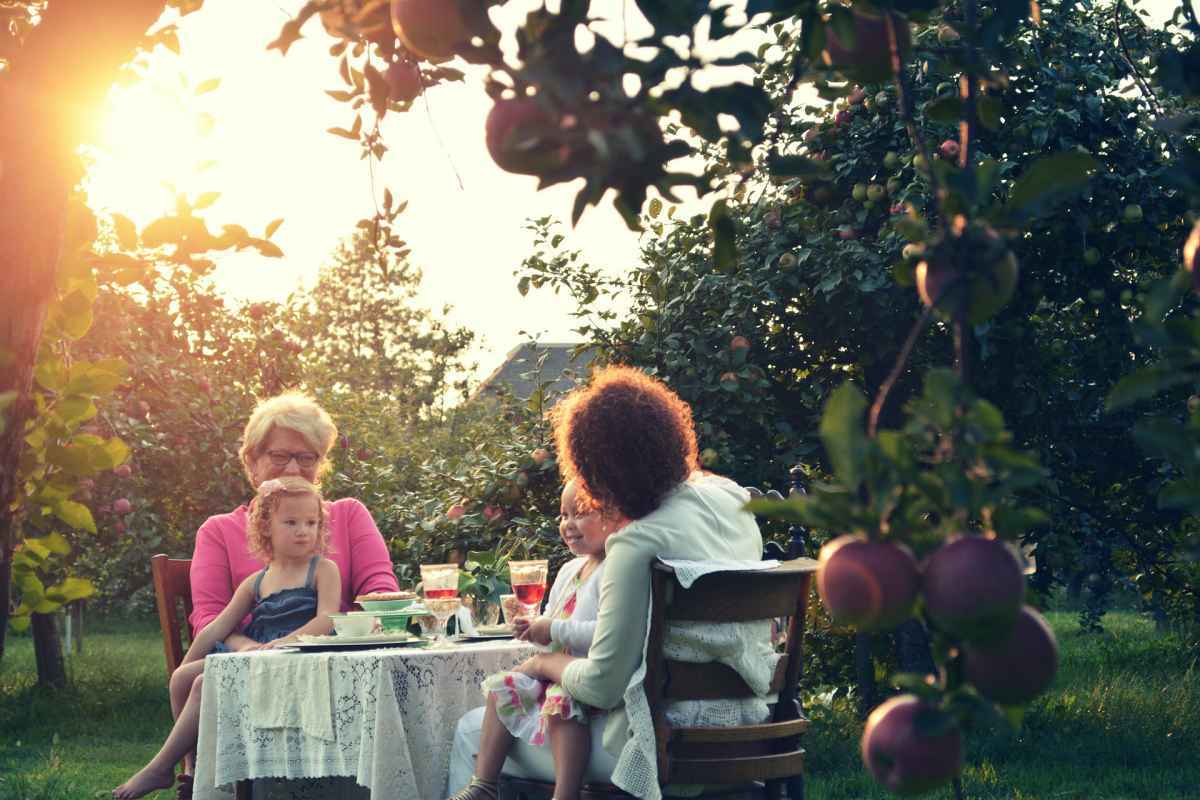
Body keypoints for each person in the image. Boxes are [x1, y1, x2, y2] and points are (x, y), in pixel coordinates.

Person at [449, 366, 776, 800]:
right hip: (751, 725)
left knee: (470, 730)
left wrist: (542, 664)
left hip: (660, 744)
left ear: (601, 470)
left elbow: (603, 685)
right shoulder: (731, 497)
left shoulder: (637, 542)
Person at [114, 477, 341, 799]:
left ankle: (160, 767)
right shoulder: (257, 580)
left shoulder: (322, 569)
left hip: (298, 656)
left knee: (203, 684)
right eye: (291, 522)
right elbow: (218, 627)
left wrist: (287, 642)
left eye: (311, 522)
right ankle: (191, 771)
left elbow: (327, 618)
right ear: (266, 527)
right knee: (183, 678)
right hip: (259, 656)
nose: (303, 530)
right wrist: (192, 660)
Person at [449, 480, 627, 800]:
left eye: (580, 513)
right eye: (563, 515)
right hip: (556, 669)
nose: (568, 525)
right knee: (503, 686)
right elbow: (553, 622)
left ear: (614, 516)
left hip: (587, 675)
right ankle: (484, 784)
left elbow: (607, 632)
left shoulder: (615, 569)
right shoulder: (569, 570)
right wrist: (534, 629)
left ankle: (565, 793)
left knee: (561, 703)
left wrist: (553, 631)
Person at [189, 390, 399, 650]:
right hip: (250, 671)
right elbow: (209, 619)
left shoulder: (349, 515)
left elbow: (381, 594)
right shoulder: (218, 531)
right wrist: (250, 650)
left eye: (306, 457)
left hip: (338, 658)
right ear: (252, 463)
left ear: (319, 465)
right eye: (279, 456)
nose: (292, 469)